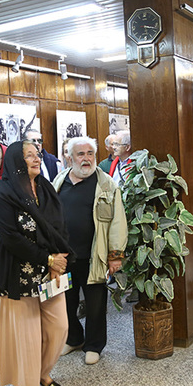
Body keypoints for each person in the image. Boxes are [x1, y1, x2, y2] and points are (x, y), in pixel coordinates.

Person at [0, 140, 73, 386]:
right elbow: (11, 237)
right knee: (27, 336)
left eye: (36, 155)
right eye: (28, 156)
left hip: (51, 271)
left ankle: (42, 372)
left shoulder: (46, 188)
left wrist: (58, 259)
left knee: (59, 327)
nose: (36, 159)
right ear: (16, 161)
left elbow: (60, 226)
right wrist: (47, 258)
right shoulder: (3, 193)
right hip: (19, 274)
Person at [52, 136, 127, 365]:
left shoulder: (107, 184)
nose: (86, 159)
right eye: (81, 154)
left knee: (95, 305)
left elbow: (118, 222)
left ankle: (94, 345)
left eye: (90, 154)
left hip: (95, 256)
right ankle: (74, 338)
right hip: (64, 257)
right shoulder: (59, 180)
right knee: (65, 302)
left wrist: (115, 256)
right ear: (70, 157)